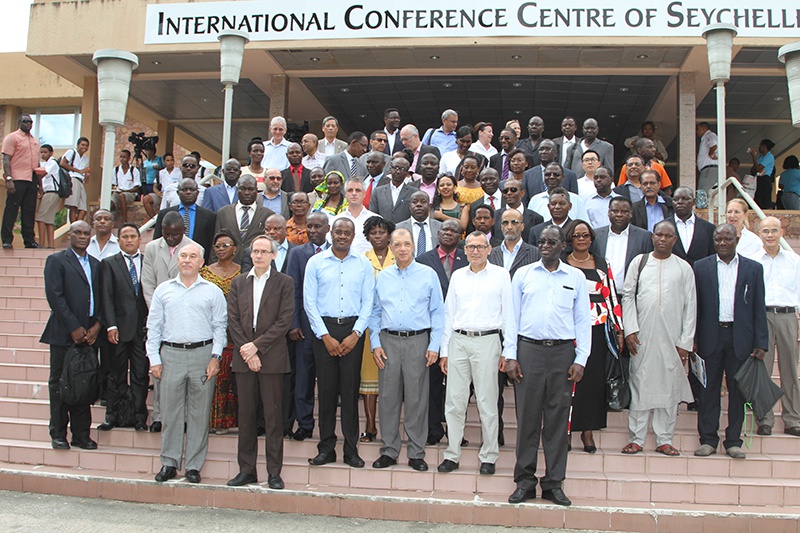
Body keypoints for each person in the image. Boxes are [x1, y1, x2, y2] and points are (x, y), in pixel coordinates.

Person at [506, 224, 591, 506]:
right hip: (528, 352)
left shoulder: (576, 277)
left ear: (563, 246)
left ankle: (554, 483)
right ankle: (525, 482)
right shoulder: (523, 274)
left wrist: (581, 358)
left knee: (556, 423)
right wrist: (511, 355)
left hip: (563, 354)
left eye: (551, 242)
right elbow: (511, 317)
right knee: (527, 420)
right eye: (541, 241)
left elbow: (583, 320)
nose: (544, 246)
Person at [147, 241, 227, 484]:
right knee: (170, 412)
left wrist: (215, 357)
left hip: (203, 354)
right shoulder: (163, 290)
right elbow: (154, 327)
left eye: (193, 256)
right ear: (177, 260)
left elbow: (220, 326)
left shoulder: (212, 291)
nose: (187, 260)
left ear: (201, 262)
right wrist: (154, 358)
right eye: (183, 256)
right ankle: (169, 463)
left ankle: (193, 465)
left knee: (199, 413)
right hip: (171, 355)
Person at [437, 231, 515, 476]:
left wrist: (508, 350)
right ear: (465, 250)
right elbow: (449, 314)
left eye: (480, 247)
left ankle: (489, 456)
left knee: (487, 401)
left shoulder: (501, 275)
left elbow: (509, 314)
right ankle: (452, 454)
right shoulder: (458, 276)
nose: (475, 251)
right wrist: (444, 350)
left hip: (488, 341)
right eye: (471, 247)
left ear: (489, 249)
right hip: (459, 341)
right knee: (454, 402)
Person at [370, 228, 444, 471]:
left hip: (418, 342)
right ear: (391, 248)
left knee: (417, 399)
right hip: (388, 342)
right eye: (397, 244)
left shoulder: (428, 274)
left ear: (413, 246)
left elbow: (438, 311)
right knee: (388, 398)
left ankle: (416, 452)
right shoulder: (383, 277)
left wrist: (434, 344)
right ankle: (389, 450)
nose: (402, 248)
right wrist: (375, 343)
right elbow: (375, 312)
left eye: (407, 244)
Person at [304, 218, 374, 468]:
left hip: (353, 330)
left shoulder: (363, 264)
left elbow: (369, 301)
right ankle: (326, 448)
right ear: (330, 233)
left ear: (353, 236)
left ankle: (351, 450)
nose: (342, 236)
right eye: (338, 232)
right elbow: (309, 302)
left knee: (350, 392)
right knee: (326, 392)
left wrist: (356, 333)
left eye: (347, 233)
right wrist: (325, 336)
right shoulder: (316, 262)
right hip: (324, 331)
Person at [621, 221, 696, 456]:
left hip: (673, 338)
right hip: (642, 336)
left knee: (670, 387)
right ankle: (636, 438)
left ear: (675, 240)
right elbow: (627, 296)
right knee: (640, 383)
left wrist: (685, 342)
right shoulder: (640, 262)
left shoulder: (684, 268)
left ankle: (664, 439)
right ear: (652, 237)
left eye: (668, 236)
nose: (663, 239)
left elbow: (690, 306)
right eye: (659, 235)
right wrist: (630, 329)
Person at [693, 224, 768, 460]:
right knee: (708, 390)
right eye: (718, 240)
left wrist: (761, 342)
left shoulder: (753, 269)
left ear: (736, 240)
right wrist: (693, 338)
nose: (722, 243)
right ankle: (708, 440)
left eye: (727, 239)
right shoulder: (701, 267)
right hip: (710, 336)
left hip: (740, 338)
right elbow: (696, 306)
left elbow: (758, 306)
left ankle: (734, 441)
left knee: (738, 392)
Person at [226, 235, 294, 489]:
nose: (259, 256)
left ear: (273, 255)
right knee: (246, 416)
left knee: (273, 418)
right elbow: (233, 320)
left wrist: (257, 347)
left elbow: (284, 321)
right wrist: (248, 351)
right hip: (244, 358)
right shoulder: (238, 282)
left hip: (272, 358)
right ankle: (246, 470)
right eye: (255, 251)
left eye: (264, 251)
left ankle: (274, 473)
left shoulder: (284, 282)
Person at [40, 220, 101, 450]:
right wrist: (73, 326)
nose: (82, 236)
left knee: (83, 384)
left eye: (86, 233)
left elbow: (102, 297)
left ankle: (81, 435)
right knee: (60, 384)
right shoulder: (56, 261)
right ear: (70, 235)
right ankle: (58, 433)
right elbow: (55, 296)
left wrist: (97, 326)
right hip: (63, 334)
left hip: (89, 336)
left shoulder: (96, 264)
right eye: (78, 232)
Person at [563, 220, 622, 454]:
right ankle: (566, 430)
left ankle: (587, 430)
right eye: (576, 235)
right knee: (568, 381)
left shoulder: (601, 263)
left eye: (585, 235)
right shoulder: (562, 263)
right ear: (570, 239)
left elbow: (611, 297)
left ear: (591, 238)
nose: (581, 239)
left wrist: (619, 329)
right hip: (568, 329)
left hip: (597, 328)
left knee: (592, 382)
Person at [141, 211, 198, 432]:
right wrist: (158, 311)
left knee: (184, 374)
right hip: (158, 316)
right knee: (159, 370)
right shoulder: (152, 248)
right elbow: (147, 283)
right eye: (167, 234)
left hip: (185, 317)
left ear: (183, 231)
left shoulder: (195, 248)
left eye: (175, 234)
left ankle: (183, 418)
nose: (171, 238)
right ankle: (159, 416)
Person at [488, 209, 541, 446]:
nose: (510, 226)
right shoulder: (491, 253)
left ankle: (527, 437)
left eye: (514, 222)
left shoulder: (535, 253)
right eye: (505, 222)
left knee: (525, 387)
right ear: (500, 226)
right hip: (496, 327)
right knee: (494, 386)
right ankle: (496, 433)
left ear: (522, 226)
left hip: (525, 330)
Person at [416, 219, 469, 445]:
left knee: (459, 384)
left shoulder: (468, 259)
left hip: (461, 328)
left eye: (454, 230)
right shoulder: (423, 260)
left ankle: (456, 432)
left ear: (460, 236)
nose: (448, 233)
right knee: (432, 382)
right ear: (438, 234)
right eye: (444, 229)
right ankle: (433, 429)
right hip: (431, 329)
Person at [750, 217, 800, 437]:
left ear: (781, 233)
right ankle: (764, 420)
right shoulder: (753, 261)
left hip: (788, 316)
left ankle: (793, 419)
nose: (770, 235)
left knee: (791, 371)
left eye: (774, 231)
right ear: (759, 234)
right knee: (763, 371)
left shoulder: (794, 260)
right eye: (765, 231)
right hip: (763, 317)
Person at [98, 223, 149, 432]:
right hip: (118, 329)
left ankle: (139, 417)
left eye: (132, 236)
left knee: (140, 375)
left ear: (139, 240)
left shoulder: (147, 261)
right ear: (118, 241)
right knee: (115, 374)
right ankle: (112, 415)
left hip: (142, 330)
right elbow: (106, 296)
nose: (129, 240)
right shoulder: (109, 264)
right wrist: (111, 325)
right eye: (125, 236)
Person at [285, 212, 331, 441]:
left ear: (327, 229)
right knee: (303, 378)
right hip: (304, 327)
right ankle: (304, 424)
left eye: (317, 226)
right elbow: (292, 290)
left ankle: (327, 427)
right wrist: (293, 323)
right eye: (309, 227)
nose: (312, 231)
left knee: (328, 381)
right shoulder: (297, 253)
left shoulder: (338, 253)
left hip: (331, 329)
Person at [359, 216, 396, 443]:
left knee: (392, 378)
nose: (378, 236)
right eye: (373, 232)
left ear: (389, 234)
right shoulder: (362, 259)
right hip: (368, 327)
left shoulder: (399, 256)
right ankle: (370, 426)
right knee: (369, 377)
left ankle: (390, 428)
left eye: (382, 232)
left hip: (394, 324)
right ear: (367, 236)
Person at [199, 230, 240, 435]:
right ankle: (207, 421)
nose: (221, 249)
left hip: (235, 332)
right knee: (211, 375)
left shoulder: (242, 271)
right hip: (209, 331)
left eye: (226, 245)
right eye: (217, 246)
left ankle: (225, 421)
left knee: (228, 377)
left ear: (235, 249)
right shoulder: (204, 273)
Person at [590, 197, 653, 294]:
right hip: (602, 294)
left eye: (624, 211)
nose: (619, 215)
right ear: (608, 212)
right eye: (615, 211)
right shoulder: (596, 235)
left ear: (631, 214)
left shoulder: (644, 237)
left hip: (631, 295)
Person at [153, 177, 217, 265]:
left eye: (192, 189)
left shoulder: (210, 216)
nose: (188, 192)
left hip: (198, 263)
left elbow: (211, 243)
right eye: (184, 190)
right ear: (177, 193)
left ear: (198, 193)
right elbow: (157, 240)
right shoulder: (164, 214)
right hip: (169, 262)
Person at [214, 174, 274, 264]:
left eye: (250, 189)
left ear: (257, 190)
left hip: (255, 264)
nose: (246, 193)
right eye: (242, 189)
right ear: (237, 190)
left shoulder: (268, 215)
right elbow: (216, 242)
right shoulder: (223, 213)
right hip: (228, 265)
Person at [2, 114, 41, 249]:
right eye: (25, 121)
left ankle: (29, 241)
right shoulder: (12, 137)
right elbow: (6, 159)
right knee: (12, 210)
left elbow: (36, 163)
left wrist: (40, 184)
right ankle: (7, 240)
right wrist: (9, 179)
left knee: (29, 211)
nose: (28, 124)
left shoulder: (35, 141)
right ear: (19, 122)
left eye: (30, 122)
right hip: (17, 179)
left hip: (31, 179)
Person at [668, 187, 716, 266]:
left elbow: (712, 257)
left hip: (699, 272)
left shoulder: (709, 228)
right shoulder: (663, 227)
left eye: (685, 199)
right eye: (676, 199)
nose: (680, 202)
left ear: (694, 202)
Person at [331, 179, 376, 254]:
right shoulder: (335, 221)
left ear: (364, 194)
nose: (354, 193)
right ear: (345, 194)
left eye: (358, 190)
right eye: (350, 190)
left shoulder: (375, 220)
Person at [368, 157, 419, 224]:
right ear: (390, 169)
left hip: (404, 229)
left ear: (407, 172)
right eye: (395, 168)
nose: (398, 172)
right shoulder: (378, 192)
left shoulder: (414, 192)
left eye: (402, 169)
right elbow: (373, 215)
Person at [397, 191, 441, 257]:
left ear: (429, 206)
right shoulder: (398, 228)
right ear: (409, 206)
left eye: (423, 202)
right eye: (414, 202)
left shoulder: (440, 227)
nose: (418, 205)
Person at [35, 144, 62, 249]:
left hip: (50, 192)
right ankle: (50, 245)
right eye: (41, 152)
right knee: (49, 220)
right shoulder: (48, 163)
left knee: (41, 218)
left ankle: (41, 244)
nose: (43, 154)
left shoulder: (52, 163)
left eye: (45, 152)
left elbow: (44, 173)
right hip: (52, 193)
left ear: (51, 153)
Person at [61, 137, 90, 222]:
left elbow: (85, 177)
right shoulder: (72, 152)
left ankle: (76, 225)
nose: (84, 147)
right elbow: (62, 163)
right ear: (78, 145)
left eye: (86, 146)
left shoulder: (86, 159)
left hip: (81, 181)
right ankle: (73, 226)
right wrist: (78, 171)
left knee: (83, 209)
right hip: (73, 178)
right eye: (82, 145)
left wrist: (87, 175)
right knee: (73, 206)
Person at [110, 149, 141, 224]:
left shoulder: (134, 170)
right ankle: (110, 220)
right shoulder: (116, 170)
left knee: (122, 196)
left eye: (124, 157)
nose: (122, 159)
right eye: (121, 157)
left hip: (130, 193)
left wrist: (125, 191)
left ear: (129, 158)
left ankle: (124, 220)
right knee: (110, 201)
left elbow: (136, 187)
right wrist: (115, 189)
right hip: (118, 192)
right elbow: (113, 184)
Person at [750, 139, 776, 209]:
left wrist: (753, 156)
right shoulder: (761, 157)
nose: (759, 148)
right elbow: (753, 169)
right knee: (758, 200)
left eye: (760, 146)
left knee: (765, 201)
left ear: (764, 147)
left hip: (765, 179)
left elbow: (758, 168)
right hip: (759, 179)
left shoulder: (769, 156)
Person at [696, 122, 719, 194]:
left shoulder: (709, 135)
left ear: (703, 128)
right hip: (706, 170)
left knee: (707, 192)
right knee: (702, 192)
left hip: (710, 169)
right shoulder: (704, 138)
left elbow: (714, 144)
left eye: (698, 129)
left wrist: (711, 154)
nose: (697, 132)